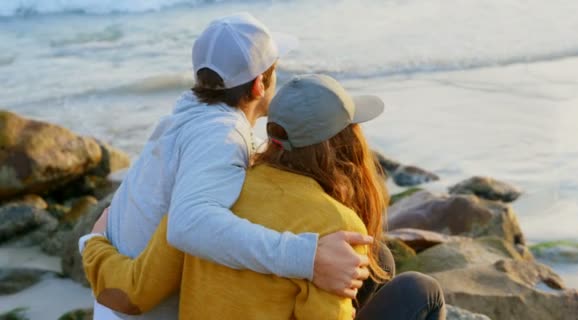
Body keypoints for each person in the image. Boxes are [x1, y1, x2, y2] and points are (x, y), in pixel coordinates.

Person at [80, 74, 447, 320]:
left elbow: (136, 290)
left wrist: (94, 242)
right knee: (420, 290)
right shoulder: (333, 224)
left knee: (377, 257)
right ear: (344, 144)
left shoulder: (209, 193)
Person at [87, 13, 372, 319]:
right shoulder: (221, 134)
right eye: (276, 72)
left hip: (118, 295)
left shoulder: (183, 120)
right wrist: (308, 257)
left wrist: (92, 243)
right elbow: (189, 224)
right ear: (260, 84)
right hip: (138, 304)